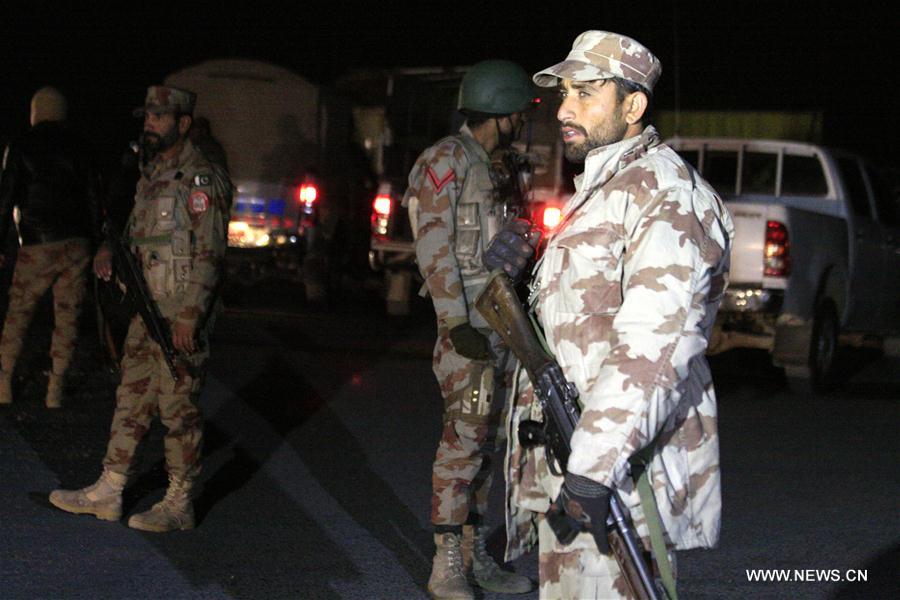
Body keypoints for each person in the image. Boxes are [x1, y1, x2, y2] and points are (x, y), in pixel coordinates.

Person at [484, 31, 734, 598]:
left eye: (586, 93)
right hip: (577, 457)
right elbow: (582, 315)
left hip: (621, 476)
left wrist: (592, 471)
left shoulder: (666, 195)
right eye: (564, 94)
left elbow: (658, 345)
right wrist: (523, 279)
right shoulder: (603, 189)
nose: (564, 110)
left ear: (633, 105)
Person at [49, 85, 232, 533]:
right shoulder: (151, 174)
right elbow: (135, 233)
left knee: (177, 408)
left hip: (178, 312)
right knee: (131, 398)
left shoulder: (199, 178)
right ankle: (110, 489)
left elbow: (210, 251)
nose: (149, 123)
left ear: (182, 124)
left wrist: (191, 314)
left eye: (159, 117)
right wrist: (110, 252)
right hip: (146, 309)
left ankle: (179, 501)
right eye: (147, 116)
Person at [405, 60, 536, 599]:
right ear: (500, 112)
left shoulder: (501, 167)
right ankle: (446, 564)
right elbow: (433, 246)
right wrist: (455, 322)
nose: (523, 122)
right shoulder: (447, 159)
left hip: (503, 326)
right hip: (468, 328)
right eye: (519, 113)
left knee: (492, 445)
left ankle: (476, 553)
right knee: (462, 444)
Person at [0, 86, 101, 408]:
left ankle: (3, 383)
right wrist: (97, 243)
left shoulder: (22, 144)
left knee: (19, 313)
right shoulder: (82, 146)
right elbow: (93, 197)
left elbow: (7, 196)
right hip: (76, 244)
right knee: (68, 317)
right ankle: (55, 388)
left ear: (35, 111)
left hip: (37, 243)